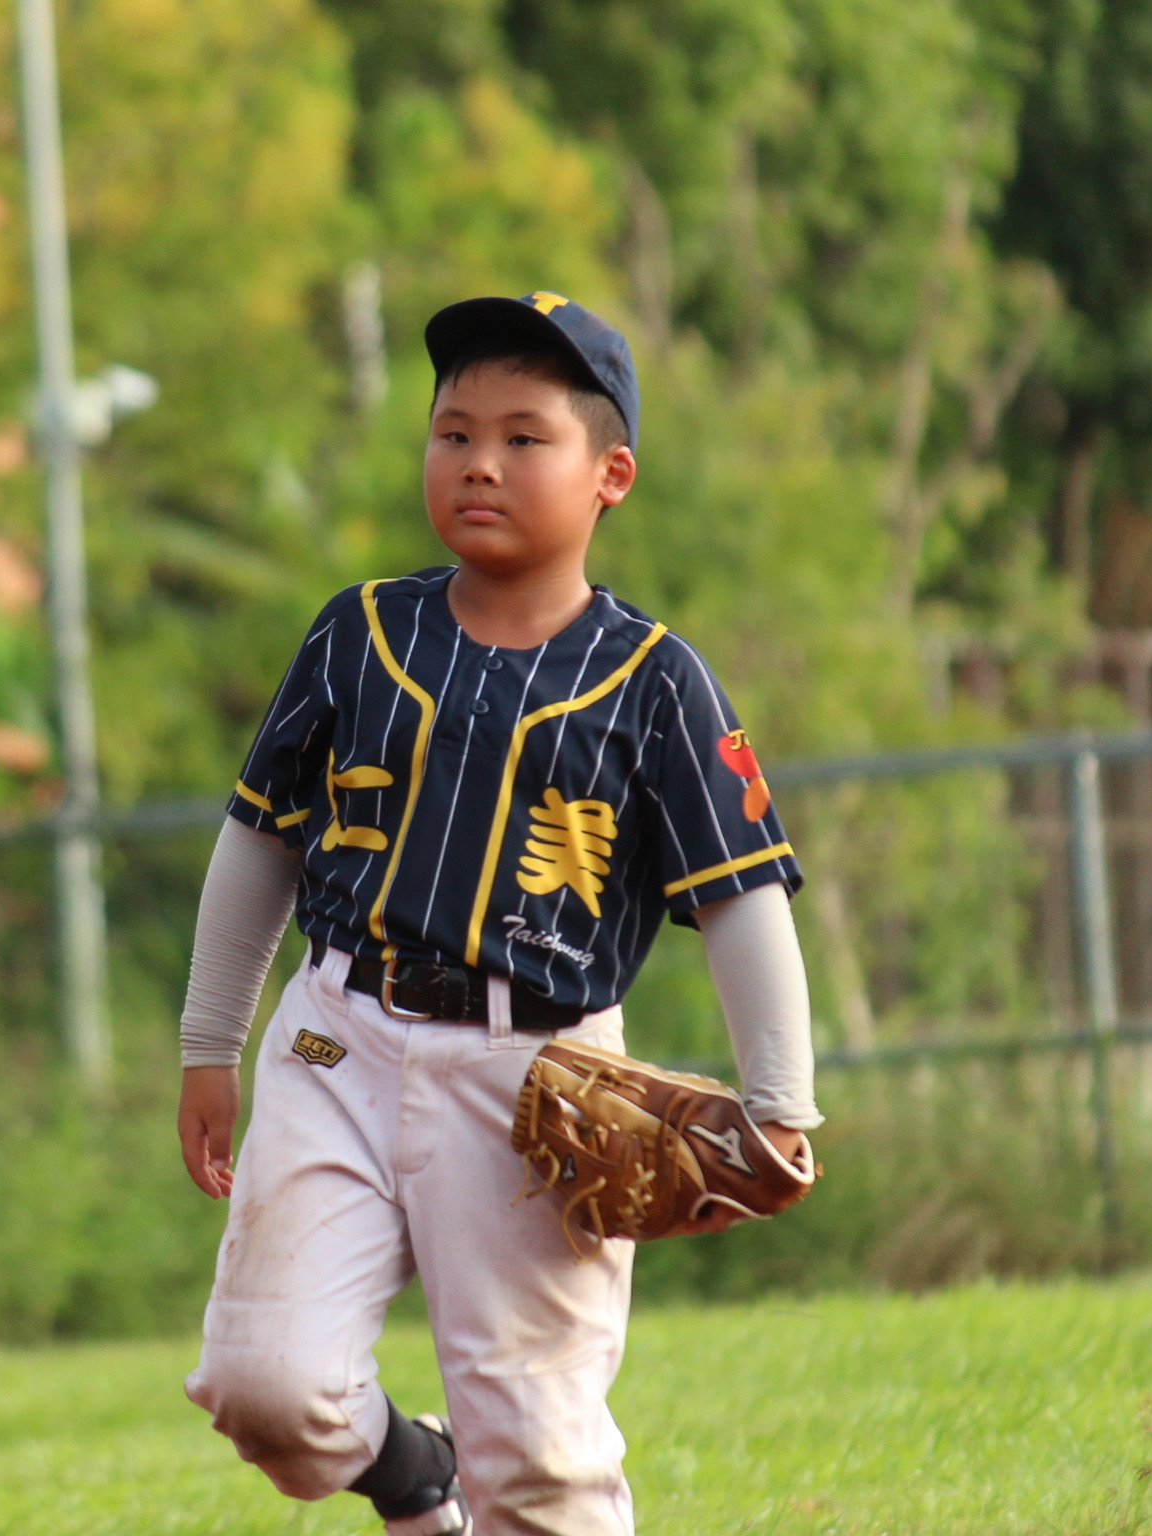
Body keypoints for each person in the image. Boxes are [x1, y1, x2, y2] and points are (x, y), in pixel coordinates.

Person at [175, 292, 820, 1536]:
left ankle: (479, 1483)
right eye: (453, 431)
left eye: (525, 437)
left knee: (536, 1467)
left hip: (541, 1086)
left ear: (608, 474)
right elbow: (259, 836)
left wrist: (781, 1102)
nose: (479, 460)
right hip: (335, 1037)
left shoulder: (654, 682)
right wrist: (211, 1041)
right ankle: (414, 1478)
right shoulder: (358, 634)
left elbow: (742, 898)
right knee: (268, 1389)